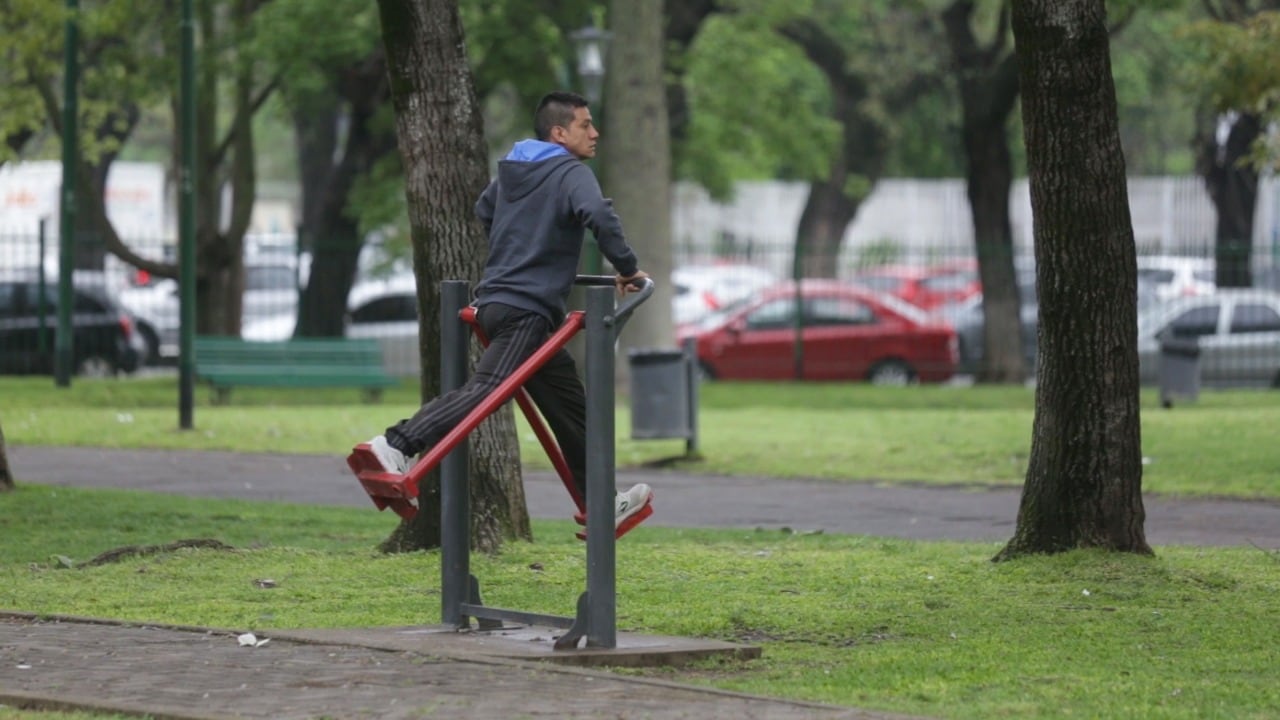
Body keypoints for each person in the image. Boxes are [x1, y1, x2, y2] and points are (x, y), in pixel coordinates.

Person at [364, 91, 653, 528]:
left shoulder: (515, 172)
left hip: (500, 301)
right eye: (585, 125)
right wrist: (628, 268)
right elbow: (598, 214)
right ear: (559, 133)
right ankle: (397, 443)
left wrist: (520, 251)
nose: (595, 133)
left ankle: (601, 502)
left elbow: (485, 210)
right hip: (528, 309)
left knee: (573, 409)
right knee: (486, 389)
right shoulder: (570, 171)